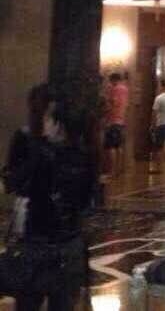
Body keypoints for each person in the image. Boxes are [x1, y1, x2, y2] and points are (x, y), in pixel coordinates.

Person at [0, 95, 95, 311]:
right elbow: (87, 202)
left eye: (48, 118)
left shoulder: (41, 153)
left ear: (58, 124)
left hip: (38, 247)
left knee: (28, 303)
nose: (44, 121)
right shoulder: (85, 155)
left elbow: (12, 185)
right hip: (71, 248)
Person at [2, 83, 53, 239]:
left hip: (35, 205)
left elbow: (11, 173)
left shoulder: (27, 136)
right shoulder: (26, 136)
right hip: (35, 205)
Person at [103, 72, 129, 177]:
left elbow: (114, 102)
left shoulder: (115, 89)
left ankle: (112, 171)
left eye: (110, 81)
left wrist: (107, 101)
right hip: (121, 120)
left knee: (111, 147)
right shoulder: (125, 89)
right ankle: (120, 170)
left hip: (113, 120)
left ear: (114, 80)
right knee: (119, 146)